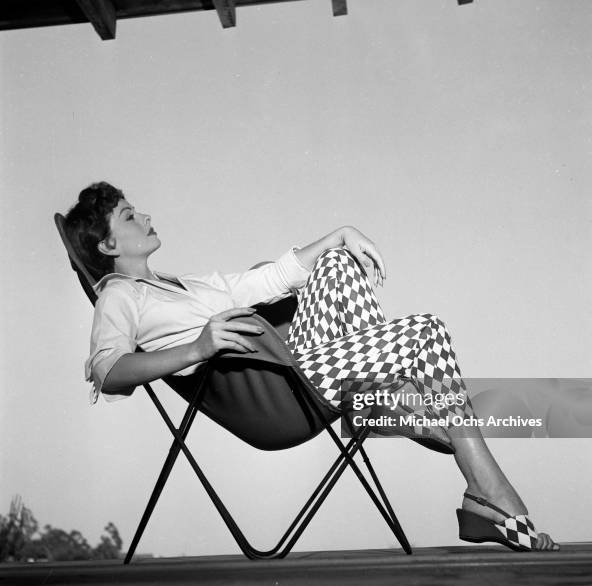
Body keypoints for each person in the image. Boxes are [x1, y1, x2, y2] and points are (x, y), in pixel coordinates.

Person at [64, 181, 559, 552]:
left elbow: (274, 279)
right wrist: (196, 348)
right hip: (273, 397)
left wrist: (340, 232)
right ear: (109, 246)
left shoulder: (187, 285)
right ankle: (485, 489)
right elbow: (108, 371)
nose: (144, 215)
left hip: (297, 368)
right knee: (425, 333)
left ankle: (392, 412)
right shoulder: (119, 295)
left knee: (337, 261)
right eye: (129, 216)